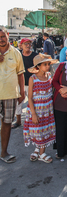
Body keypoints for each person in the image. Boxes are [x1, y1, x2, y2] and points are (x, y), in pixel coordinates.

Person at [23, 54, 57, 163]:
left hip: (47, 110)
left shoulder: (49, 76)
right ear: (38, 66)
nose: (47, 66)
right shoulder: (32, 79)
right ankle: (40, 151)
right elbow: (30, 98)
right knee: (37, 130)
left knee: (44, 130)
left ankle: (40, 151)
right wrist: (33, 113)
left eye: (48, 64)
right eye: (45, 64)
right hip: (37, 110)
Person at [0, 27, 25, 163]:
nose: (1, 39)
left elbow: (20, 74)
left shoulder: (16, 53)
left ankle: (4, 153)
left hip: (10, 95)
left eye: (3, 36)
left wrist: (22, 92)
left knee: (7, 123)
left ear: (8, 35)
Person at [12, 38, 38, 129]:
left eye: (29, 44)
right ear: (21, 45)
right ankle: (18, 121)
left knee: (34, 102)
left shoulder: (35, 55)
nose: (28, 45)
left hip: (33, 84)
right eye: (26, 44)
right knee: (18, 103)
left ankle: (35, 119)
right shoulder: (18, 55)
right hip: (20, 83)